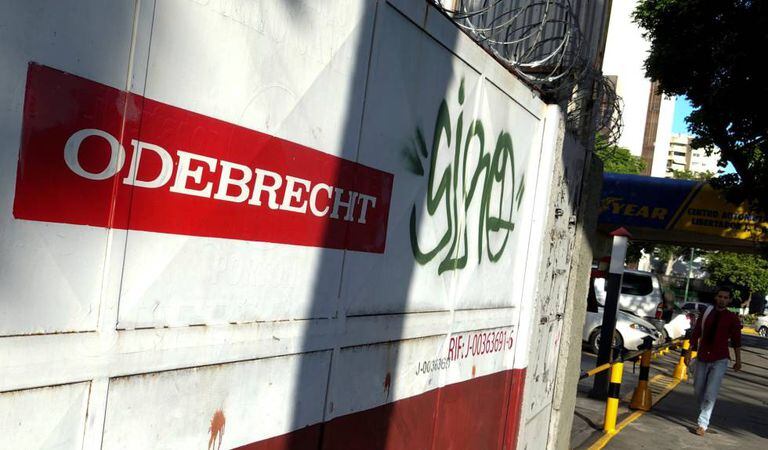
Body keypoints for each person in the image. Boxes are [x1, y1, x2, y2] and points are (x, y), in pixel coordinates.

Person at [686, 287, 742, 436]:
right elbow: (696, 333)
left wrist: (738, 360)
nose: (722, 299)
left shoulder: (732, 318)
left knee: (711, 393)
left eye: (726, 297)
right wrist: (688, 351)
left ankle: (702, 424)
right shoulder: (706, 313)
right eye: (720, 296)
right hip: (702, 357)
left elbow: (736, 341)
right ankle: (704, 412)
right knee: (698, 390)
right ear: (716, 298)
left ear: (729, 300)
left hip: (720, 359)